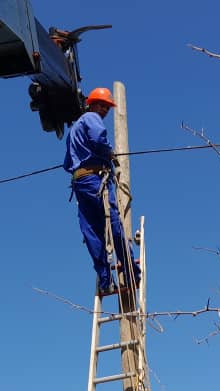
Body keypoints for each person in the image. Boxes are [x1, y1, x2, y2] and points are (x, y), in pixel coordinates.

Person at [64, 87, 140, 295]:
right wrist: (108, 153)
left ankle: (106, 281)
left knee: (92, 232)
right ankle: (131, 272)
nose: (105, 110)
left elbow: (67, 163)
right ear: (92, 104)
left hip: (80, 184)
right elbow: (98, 139)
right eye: (102, 105)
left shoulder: (74, 129)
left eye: (107, 107)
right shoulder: (91, 118)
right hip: (95, 180)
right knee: (114, 225)